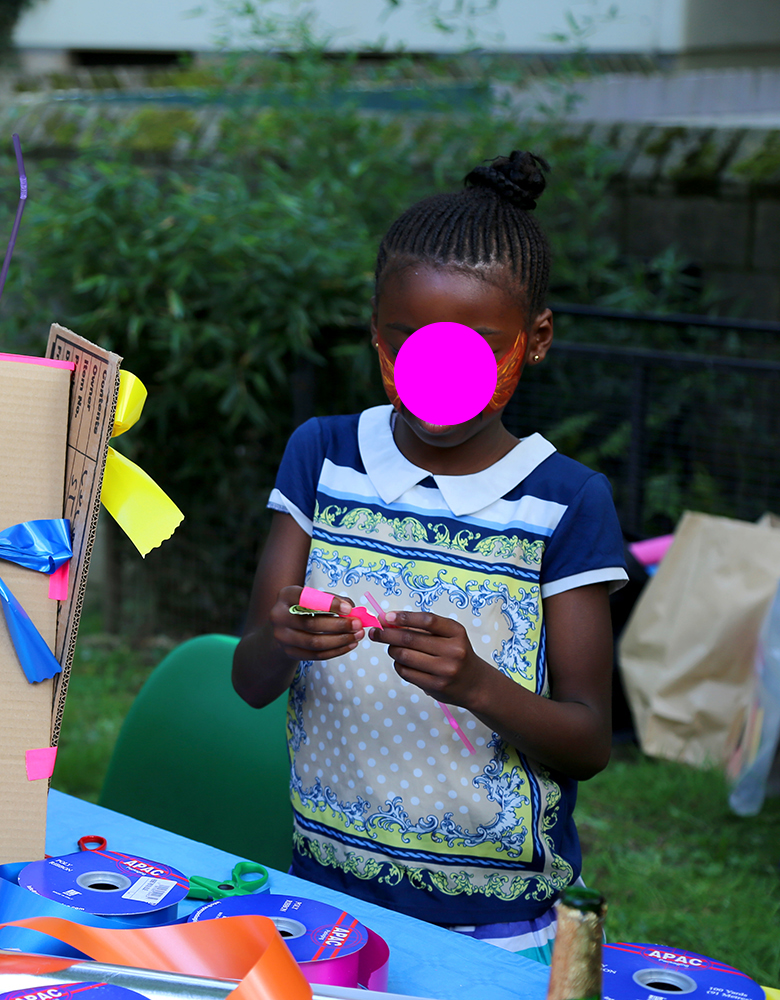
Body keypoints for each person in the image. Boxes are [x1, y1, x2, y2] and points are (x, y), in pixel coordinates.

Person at [231, 151, 627, 963]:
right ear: (377, 331)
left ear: (536, 338)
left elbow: (589, 740)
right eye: (409, 342)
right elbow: (250, 679)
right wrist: (285, 635)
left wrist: (476, 683)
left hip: (498, 934)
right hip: (323, 905)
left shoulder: (566, 502)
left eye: (476, 347)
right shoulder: (323, 455)